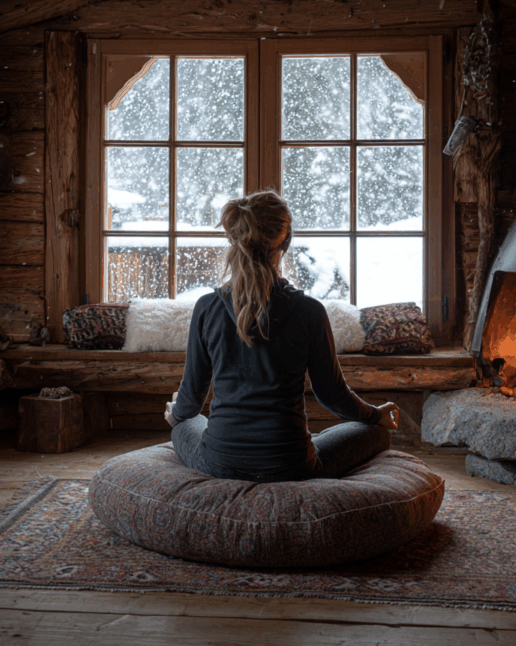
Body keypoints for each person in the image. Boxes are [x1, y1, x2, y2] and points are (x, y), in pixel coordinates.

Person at [165, 189, 400, 483]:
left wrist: (175, 412)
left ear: (233, 239)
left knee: (183, 423)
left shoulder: (206, 307)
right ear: (285, 240)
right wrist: (376, 414)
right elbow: (333, 396)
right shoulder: (310, 311)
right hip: (292, 466)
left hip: (219, 463)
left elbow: (191, 402)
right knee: (376, 432)